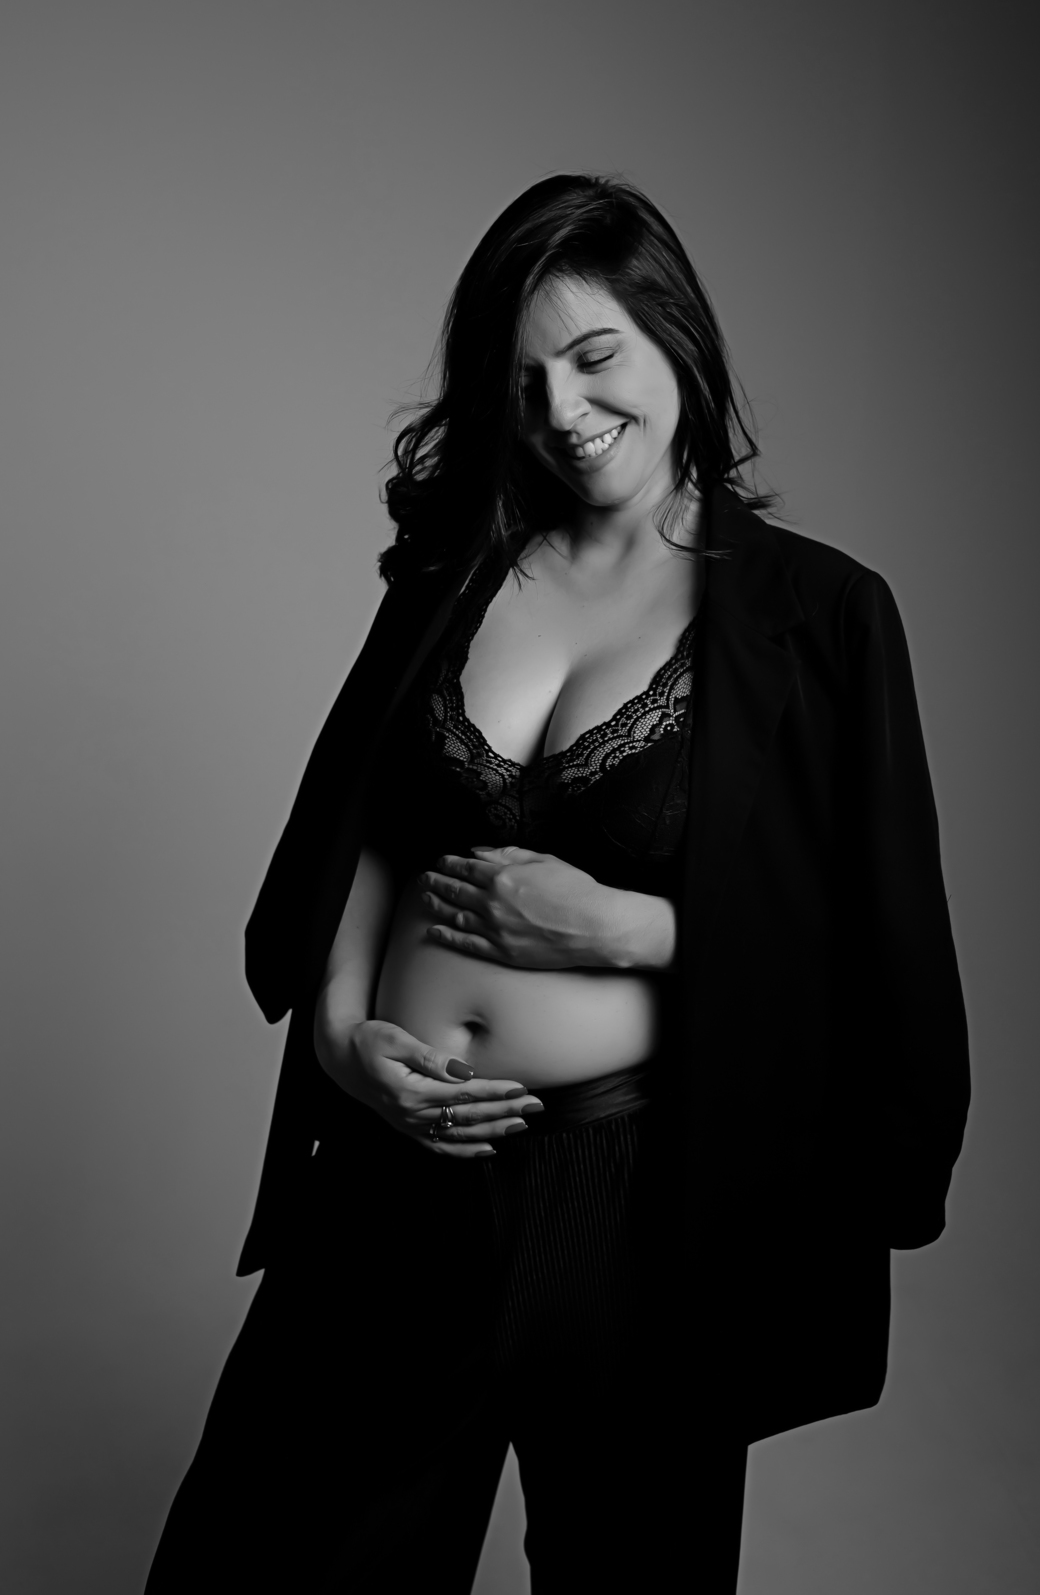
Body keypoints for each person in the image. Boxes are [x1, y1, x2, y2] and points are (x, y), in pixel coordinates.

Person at [146, 174, 970, 1593]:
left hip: (643, 1201)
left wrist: (641, 927)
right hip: (400, 1177)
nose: (564, 408)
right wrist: (340, 1038)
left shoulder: (824, 617)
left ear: (677, 344)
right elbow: (369, 833)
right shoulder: (454, 577)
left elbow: (883, 953)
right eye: (524, 380)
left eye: (596, 358)